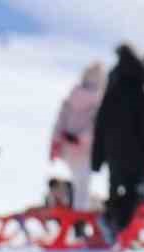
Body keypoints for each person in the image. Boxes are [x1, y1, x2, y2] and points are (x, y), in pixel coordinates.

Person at [91, 45, 144, 236]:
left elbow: (100, 126)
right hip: (137, 156)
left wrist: (97, 157)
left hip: (114, 154)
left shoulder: (112, 93)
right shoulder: (142, 94)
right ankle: (123, 228)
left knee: (116, 189)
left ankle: (113, 221)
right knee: (135, 192)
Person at [51, 63, 104, 214]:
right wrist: (80, 139)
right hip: (84, 151)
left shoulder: (72, 95)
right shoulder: (98, 99)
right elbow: (95, 127)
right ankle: (78, 220)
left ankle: (73, 214)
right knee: (83, 188)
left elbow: (59, 122)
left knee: (76, 184)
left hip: (67, 149)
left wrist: (56, 143)